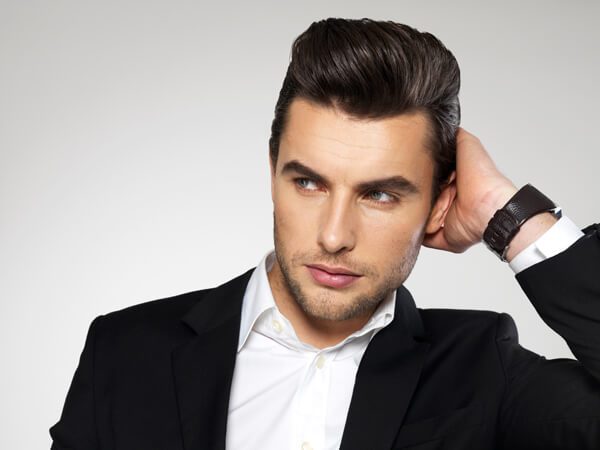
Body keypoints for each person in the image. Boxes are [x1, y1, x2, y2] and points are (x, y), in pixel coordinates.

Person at [50, 18, 600, 450]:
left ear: (438, 204)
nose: (334, 237)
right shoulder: (125, 353)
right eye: (309, 183)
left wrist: (510, 217)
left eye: (379, 194)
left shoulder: (482, 370)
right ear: (272, 172)